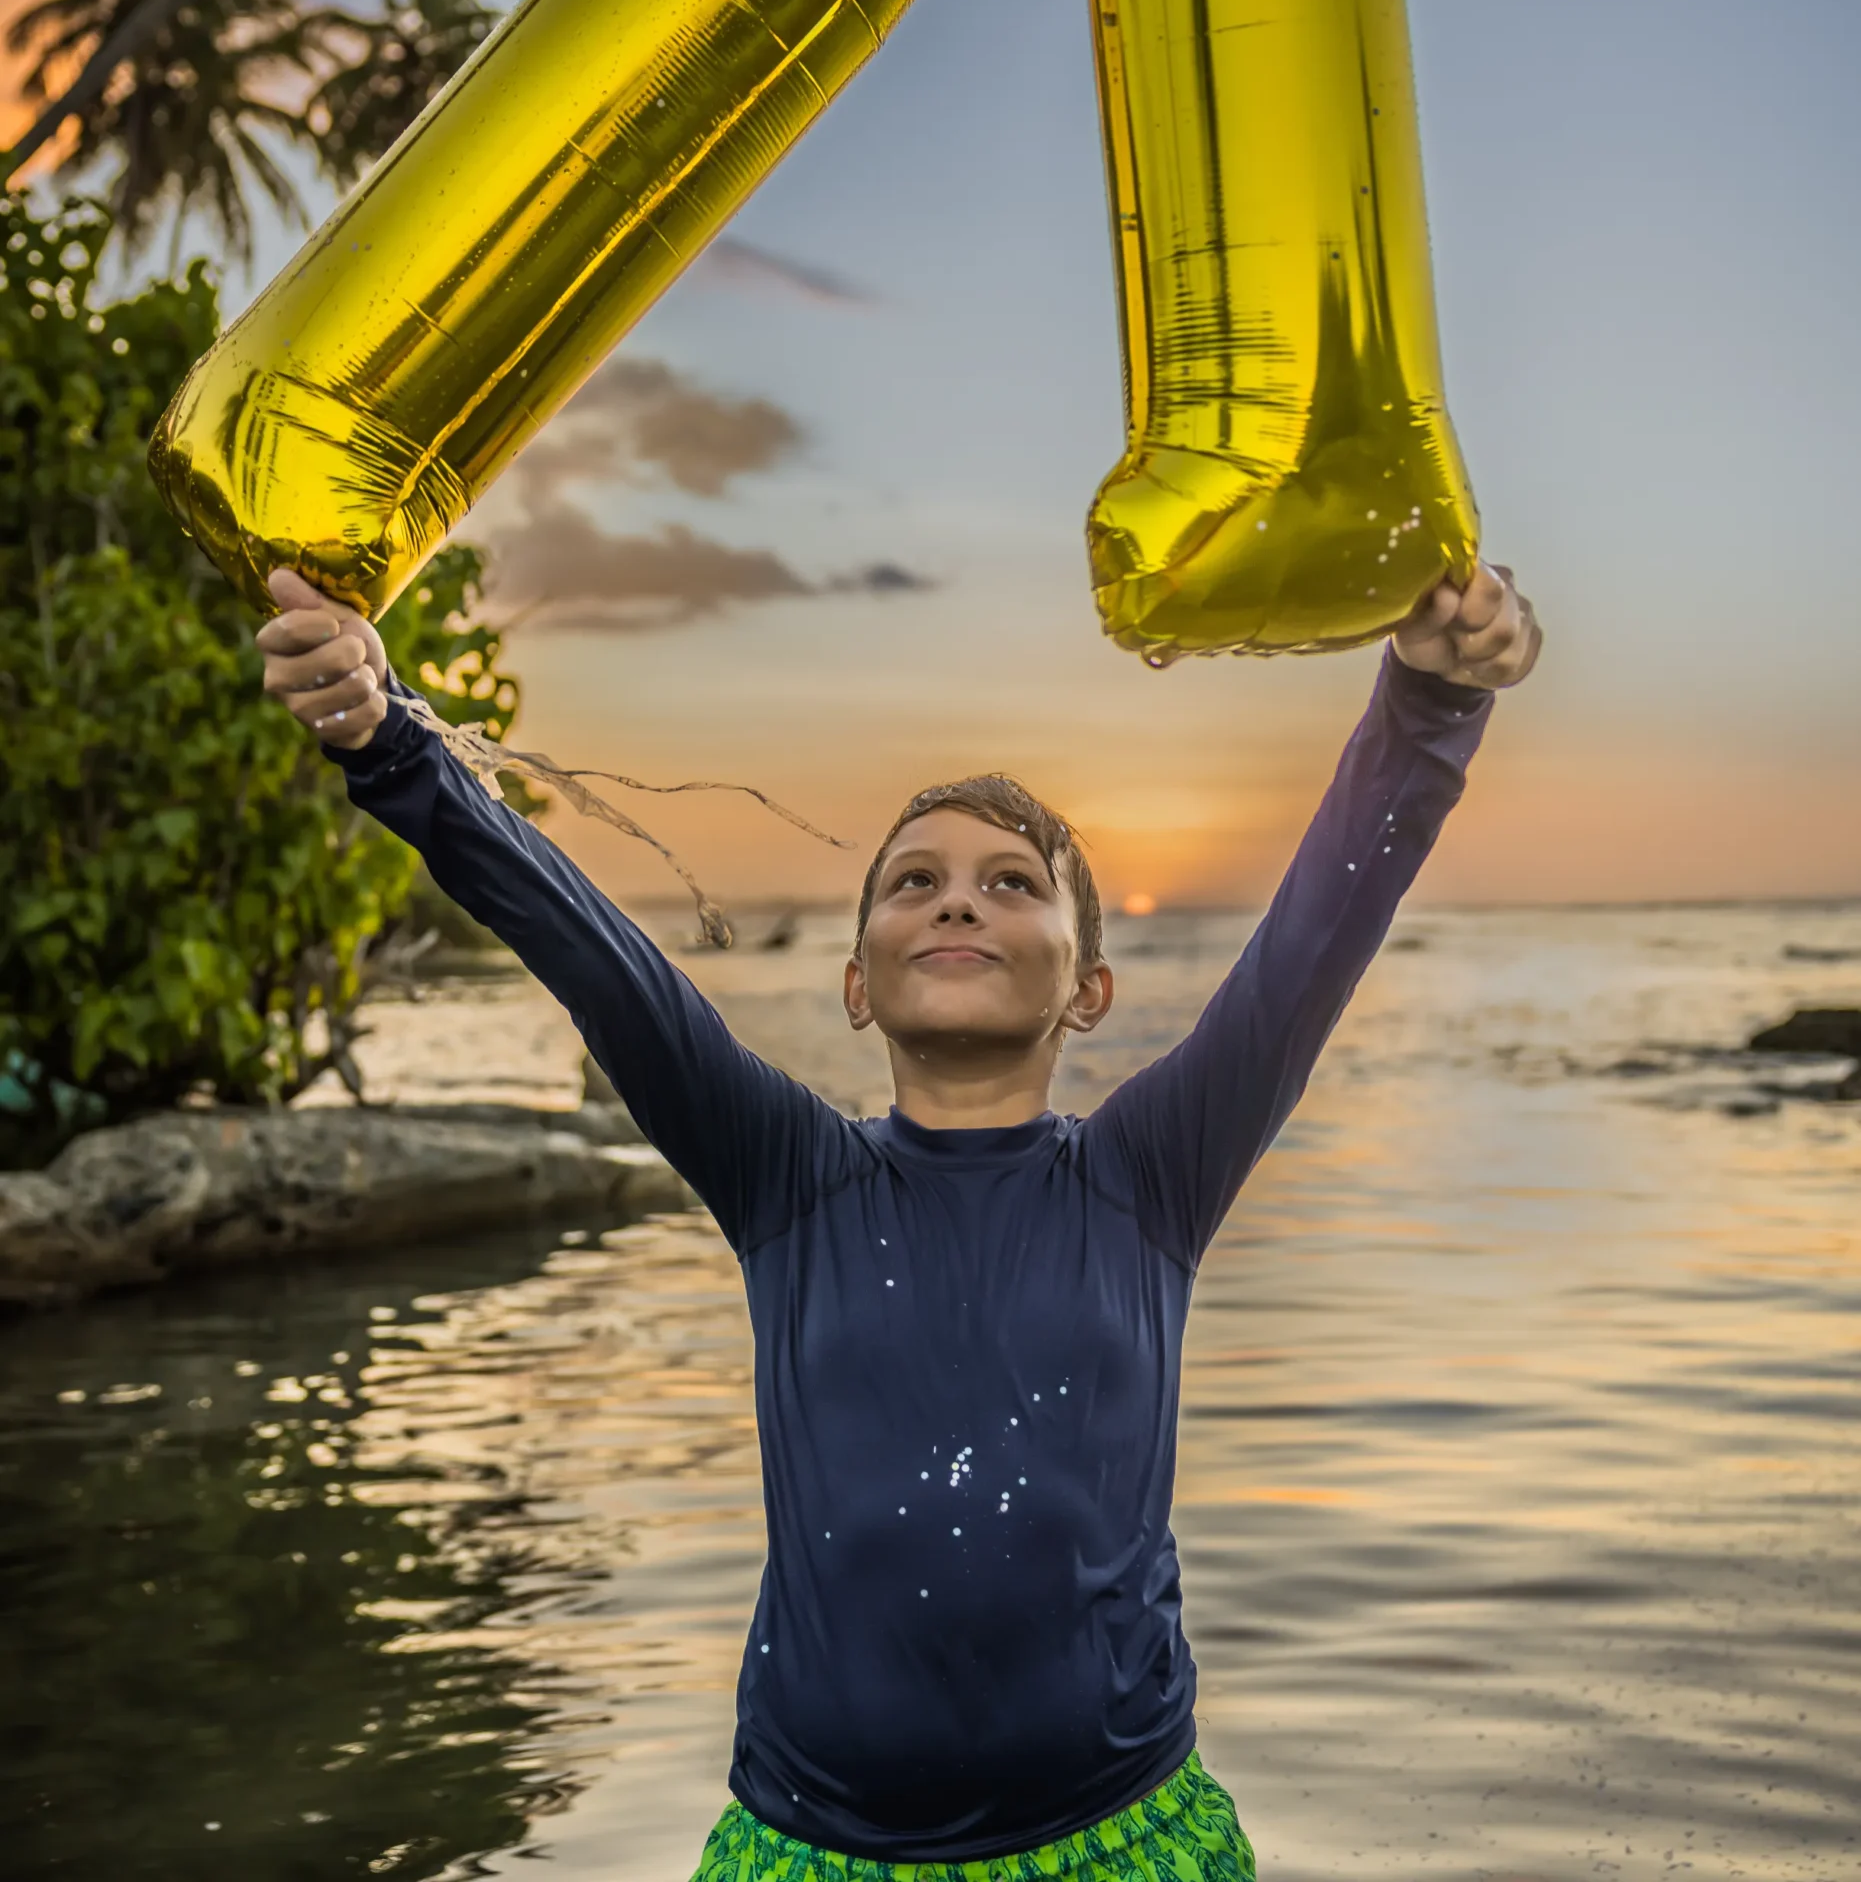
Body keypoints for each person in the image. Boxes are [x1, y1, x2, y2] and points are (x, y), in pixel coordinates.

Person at [259, 558, 1541, 1881]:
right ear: (858, 984)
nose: (958, 899)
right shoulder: (789, 1177)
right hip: (811, 1850)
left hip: (1118, 1841)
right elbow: (601, 961)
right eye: (913, 881)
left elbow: (1316, 936)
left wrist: (1431, 699)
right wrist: (389, 738)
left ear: (1088, 989)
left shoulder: (1149, 1176)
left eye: (1011, 882)